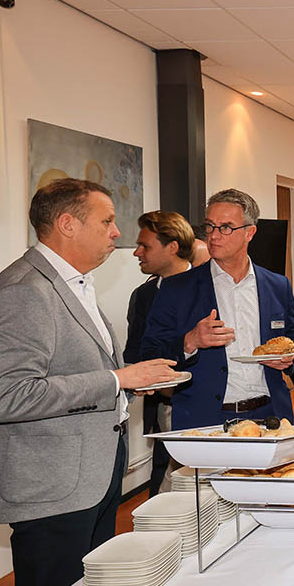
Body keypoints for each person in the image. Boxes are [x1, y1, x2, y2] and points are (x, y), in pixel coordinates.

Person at [0, 178, 178, 586]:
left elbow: (80, 372)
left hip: (89, 475)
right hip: (50, 484)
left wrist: (129, 384)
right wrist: (117, 380)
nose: (117, 232)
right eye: (106, 221)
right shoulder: (23, 291)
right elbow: (5, 396)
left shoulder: (71, 284)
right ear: (67, 224)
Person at [141, 189, 294, 429]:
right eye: (210, 226)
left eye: (226, 227)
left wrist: (290, 357)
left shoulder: (278, 285)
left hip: (270, 416)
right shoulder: (177, 289)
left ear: (250, 232)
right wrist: (189, 342)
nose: (214, 235)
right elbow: (149, 353)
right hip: (205, 421)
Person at [125, 211, 194, 495]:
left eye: (145, 246)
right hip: (163, 409)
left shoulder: (211, 288)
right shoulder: (143, 296)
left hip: (207, 410)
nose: (136, 253)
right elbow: (135, 353)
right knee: (164, 488)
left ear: (172, 247)